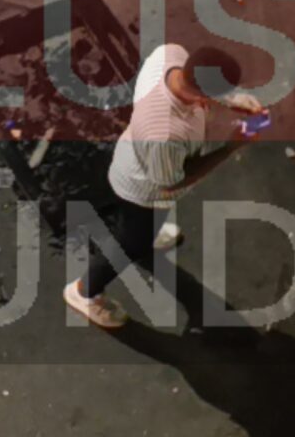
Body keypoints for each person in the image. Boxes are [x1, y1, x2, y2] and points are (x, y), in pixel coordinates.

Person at [62, 42, 266, 330]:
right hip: (143, 190)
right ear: (203, 92)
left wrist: (230, 99)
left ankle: (146, 237)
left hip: (132, 158)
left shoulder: (170, 55)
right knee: (131, 243)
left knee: (144, 227)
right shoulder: (165, 133)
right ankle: (84, 292)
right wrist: (234, 145)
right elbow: (171, 183)